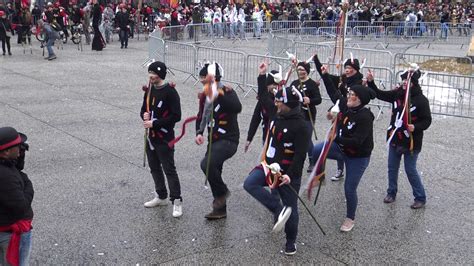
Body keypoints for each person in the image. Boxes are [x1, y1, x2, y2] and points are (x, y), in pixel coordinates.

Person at [243, 86, 309, 256]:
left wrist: (290, 174)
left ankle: (290, 242)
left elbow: (301, 155)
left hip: (287, 172)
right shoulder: (277, 114)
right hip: (269, 166)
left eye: (279, 101)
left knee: (291, 208)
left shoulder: (301, 125)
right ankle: (276, 209)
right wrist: (261, 76)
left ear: (289, 103)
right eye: (276, 100)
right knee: (250, 183)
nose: (276, 103)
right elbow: (264, 97)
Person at [312, 65, 375, 232]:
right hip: (341, 149)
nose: (349, 96)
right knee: (316, 150)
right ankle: (318, 177)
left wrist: (337, 138)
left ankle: (350, 218)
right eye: (349, 94)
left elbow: (357, 141)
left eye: (353, 95)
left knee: (349, 188)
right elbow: (333, 93)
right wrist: (324, 74)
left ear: (360, 98)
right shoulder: (346, 107)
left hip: (357, 156)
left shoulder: (365, 117)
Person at [366, 66, 431, 209]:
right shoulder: (397, 94)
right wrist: (371, 82)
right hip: (395, 138)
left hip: (412, 142)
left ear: (414, 83)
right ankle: (391, 193)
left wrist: (416, 127)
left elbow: (427, 120)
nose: (404, 84)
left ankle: (420, 197)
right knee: (392, 167)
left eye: (407, 81)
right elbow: (379, 94)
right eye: (403, 81)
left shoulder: (421, 100)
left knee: (410, 169)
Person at [195, 62, 242, 220]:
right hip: (213, 140)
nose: (202, 82)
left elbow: (237, 107)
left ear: (213, 79)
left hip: (228, 140)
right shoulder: (205, 96)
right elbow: (201, 114)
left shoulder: (227, 91)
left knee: (206, 164)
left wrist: (220, 94)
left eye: (204, 79)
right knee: (214, 172)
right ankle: (220, 209)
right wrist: (199, 132)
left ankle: (222, 193)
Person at [141, 61, 183, 217]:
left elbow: (176, 116)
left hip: (165, 138)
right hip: (150, 138)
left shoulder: (170, 92)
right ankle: (161, 195)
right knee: (154, 168)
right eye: (149, 73)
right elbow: (143, 109)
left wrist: (155, 123)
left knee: (169, 169)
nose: (150, 76)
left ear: (160, 75)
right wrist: (144, 116)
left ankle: (177, 201)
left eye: (153, 74)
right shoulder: (150, 89)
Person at [312, 54, 364, 181]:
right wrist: (317, 62)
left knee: (345, 140)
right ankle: (335, 170)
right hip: (339, 110)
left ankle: (346, 166)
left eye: (349, 67)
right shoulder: (343, 79)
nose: (346, 69)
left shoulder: (360, 83)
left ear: (356, 69)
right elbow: (327, 78)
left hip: (352, 116)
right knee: (335, 138)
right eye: (345, 67)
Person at [0, 127, 34, 266]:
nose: (20, 149)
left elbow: (14, 169)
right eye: (17, 147)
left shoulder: (5, 165)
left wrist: (18, 160)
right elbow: (21, 207)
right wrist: (27, 183)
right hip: (10, 234)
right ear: (6, 152)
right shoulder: (6, 177)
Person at [289, 61, 322, 173]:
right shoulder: (294, 83)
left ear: (307, 71)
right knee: (294, 138)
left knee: (306, 139)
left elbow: (319, 99)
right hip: (295, 115)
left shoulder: (312, 84)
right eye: (298, 70)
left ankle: (312, 160)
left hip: (308, 115)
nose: (300, 72)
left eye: (302, 70)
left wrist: (310, 100)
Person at [245, 61, 279, 152]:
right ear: (267, 85)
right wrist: (249, 138)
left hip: (278, 137)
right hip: (266, 136)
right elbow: (256, 118)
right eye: (273, 85)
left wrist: (262, 75)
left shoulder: (281, 100)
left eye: (277, 85)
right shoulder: (263, 99)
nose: (275, 87)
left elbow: (264, 96)